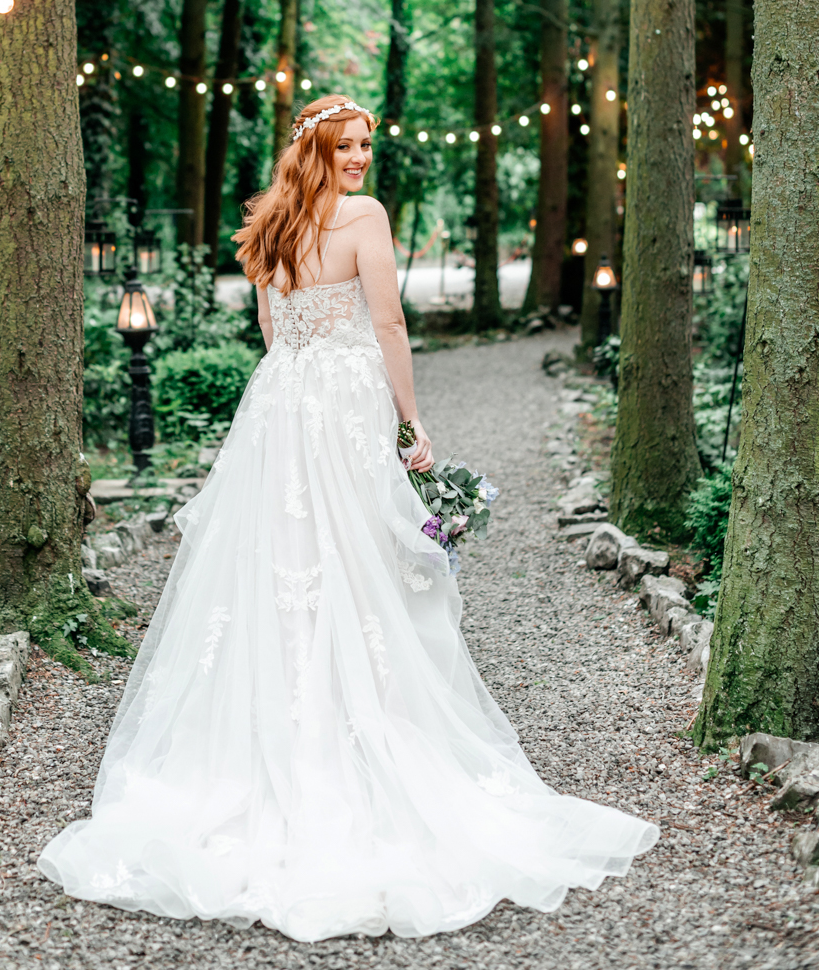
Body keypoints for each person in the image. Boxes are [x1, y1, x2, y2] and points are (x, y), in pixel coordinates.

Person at [38, 94, 658, 942]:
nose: (362, 158)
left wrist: (305, 378)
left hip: (281, 408)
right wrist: (409, 421)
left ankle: (283, 737)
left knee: (282, 561)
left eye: (367, 144)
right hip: (339, 407)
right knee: (350, 559)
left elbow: (269, 327)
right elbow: (389, 319)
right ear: (320, 149)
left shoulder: (270, 224)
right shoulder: (363, 217)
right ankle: (348, 737)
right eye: (349, 144)